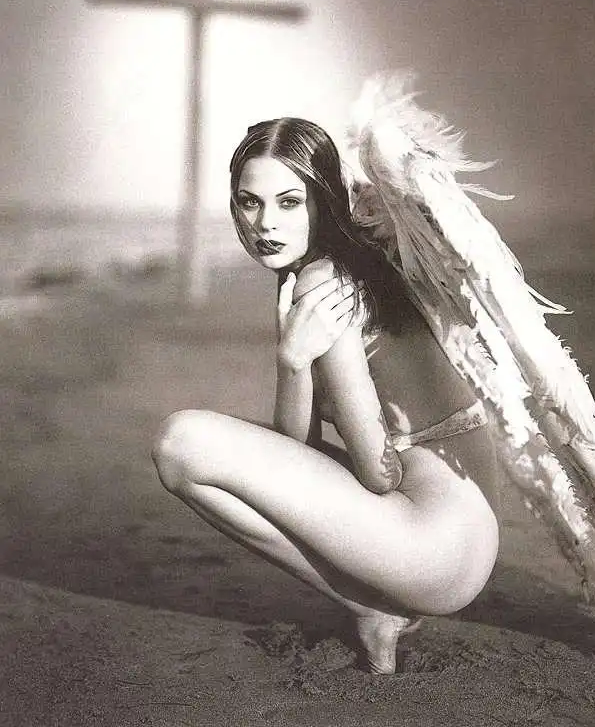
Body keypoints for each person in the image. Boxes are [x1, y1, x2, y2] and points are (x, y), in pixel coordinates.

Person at [152, 116, 502, 674]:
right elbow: (300, 452)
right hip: (463, 540)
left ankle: (368, 606)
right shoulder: (351, 265)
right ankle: (373, 607)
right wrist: (293, 363)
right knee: (231, 447)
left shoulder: (325, 284)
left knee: (181, 444)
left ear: (323, 202)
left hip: (436, 551)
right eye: (249, 202)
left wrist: (293, 359)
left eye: (290, 202)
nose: (265, 223)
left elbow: (378, 476)